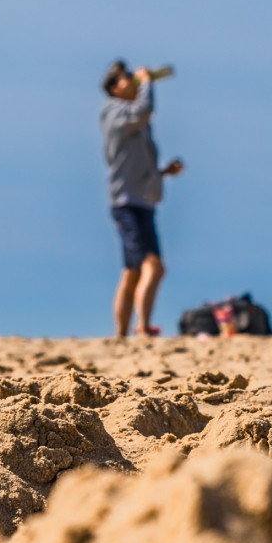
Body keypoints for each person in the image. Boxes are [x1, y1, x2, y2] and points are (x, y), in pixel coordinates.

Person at [100, 60, 183, 338]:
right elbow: (143, 111)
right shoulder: (115, 112)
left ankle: (121, 335)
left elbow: (134, 164)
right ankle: (143, 328)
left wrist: (162, 174)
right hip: (127, 203)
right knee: (154, 266)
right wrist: (147, 82)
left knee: (132, 271)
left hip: (140, 201)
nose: (133, 82)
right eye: (127, 79)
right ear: (113, 88)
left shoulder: (131, 120)